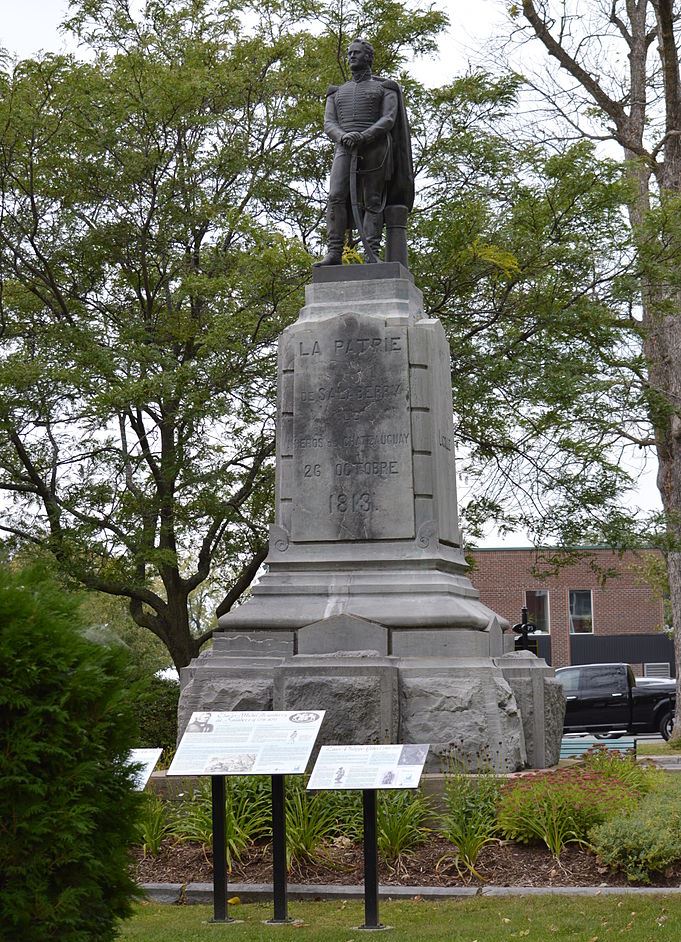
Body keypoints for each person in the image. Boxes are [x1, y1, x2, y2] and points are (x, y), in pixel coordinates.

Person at [315, 39, 414, 267]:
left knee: (373, 200)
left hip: (376, 148)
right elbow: (329, 123)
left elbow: (388, 118)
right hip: (345, 147)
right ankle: (334, 253)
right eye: (349, 53)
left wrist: (364, 136)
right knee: (336, 196)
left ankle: (372, 253)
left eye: (356, 53)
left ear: (368, 57)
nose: (351, 57)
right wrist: (342, 136)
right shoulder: (336, 93)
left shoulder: (385, 88)